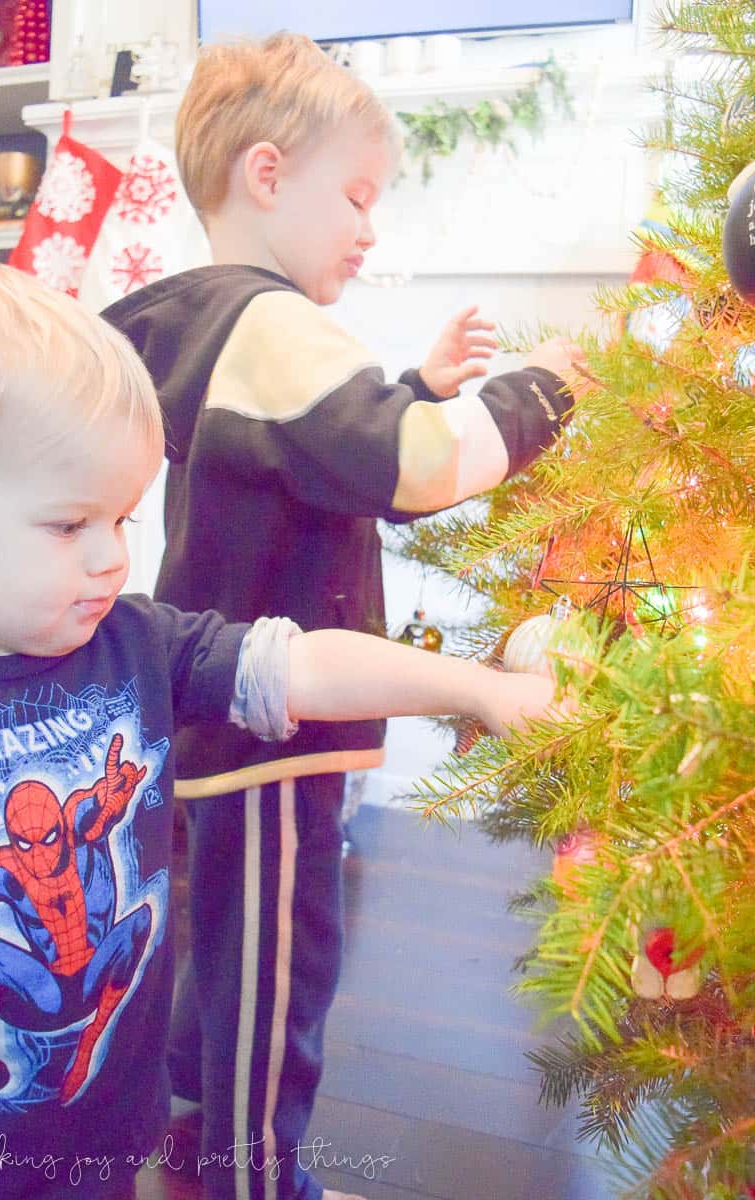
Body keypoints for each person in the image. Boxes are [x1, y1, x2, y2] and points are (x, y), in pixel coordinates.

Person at [0, 256, 561, 1200]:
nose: (116, 557)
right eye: (70, 524)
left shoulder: (135, 644)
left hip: (113, 1139)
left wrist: (475, 689)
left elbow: (306, 662)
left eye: (124, 518)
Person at [102, 31, 588, 1200]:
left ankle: (194, 1138)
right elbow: (409, 469)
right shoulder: (271, 323)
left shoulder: (222, 320)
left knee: (221, 945)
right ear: (267, 176)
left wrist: (412, 388)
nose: (371, 229)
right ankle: (252, 1176)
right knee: (278, 962)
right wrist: (543, 390)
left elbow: (324, 462)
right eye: (356, 197)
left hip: (229, 703)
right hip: (277, 719)